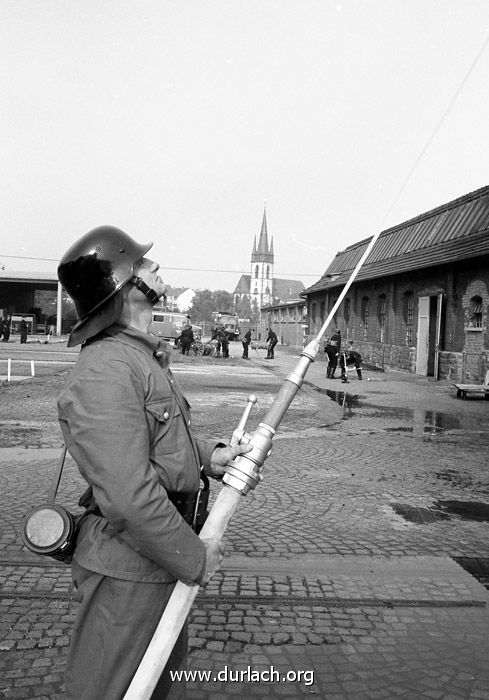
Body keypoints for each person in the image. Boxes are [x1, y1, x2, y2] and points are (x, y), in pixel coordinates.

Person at [56, 225, 251, 700]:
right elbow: (127, 493)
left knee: (154, 686)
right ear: (124, 285)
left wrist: (212, 457)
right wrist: (194, 557)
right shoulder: (107, 369)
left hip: (155, 561)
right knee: (113, 690)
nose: (155, 267)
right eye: (143, 263)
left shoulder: (142, 359)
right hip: (129, 569)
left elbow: (160, 442)